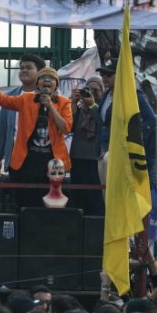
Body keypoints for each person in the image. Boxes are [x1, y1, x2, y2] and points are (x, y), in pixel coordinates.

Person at [0, 66, 73, 210]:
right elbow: (1, 100)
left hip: (51, 164)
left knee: (48, 204)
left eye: (51, 78)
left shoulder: (64, 103)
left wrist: (51, 106)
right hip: (26, 162)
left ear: (56, 85)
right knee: (26, 202)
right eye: (43, 78)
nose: (47, 80)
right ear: (37, 84)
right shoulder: (26, 99)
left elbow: (65, 128)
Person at [96, 59, 157, 186]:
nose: (104, 77)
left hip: (121, 153)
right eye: (102, 74)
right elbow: (102, 124)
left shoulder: (132, 94)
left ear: (120, 74)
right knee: (106, 195)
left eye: (109, 74)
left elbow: (151, 120)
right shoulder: (106, 95)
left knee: (118, 194)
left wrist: (133, 141)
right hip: (103, 151)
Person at [0, 54, 46, 174]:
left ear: (40, 72)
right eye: (22, 68)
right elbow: (3, 130)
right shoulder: (10, 96)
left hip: (42, 160)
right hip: (15, 162)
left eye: (29, 67)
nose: (24, 70)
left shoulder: (48, 97)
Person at [68, 76, 105, 215]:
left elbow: (103, 124)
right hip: (77, 158)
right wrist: (73, 102)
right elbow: (68, 127)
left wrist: (92, 105)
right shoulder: (79, 109)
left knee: (95, 198)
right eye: (89, 90)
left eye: (96, 90)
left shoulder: (103, 109)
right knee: (78, 196)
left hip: (96, 160)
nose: (93, 93)